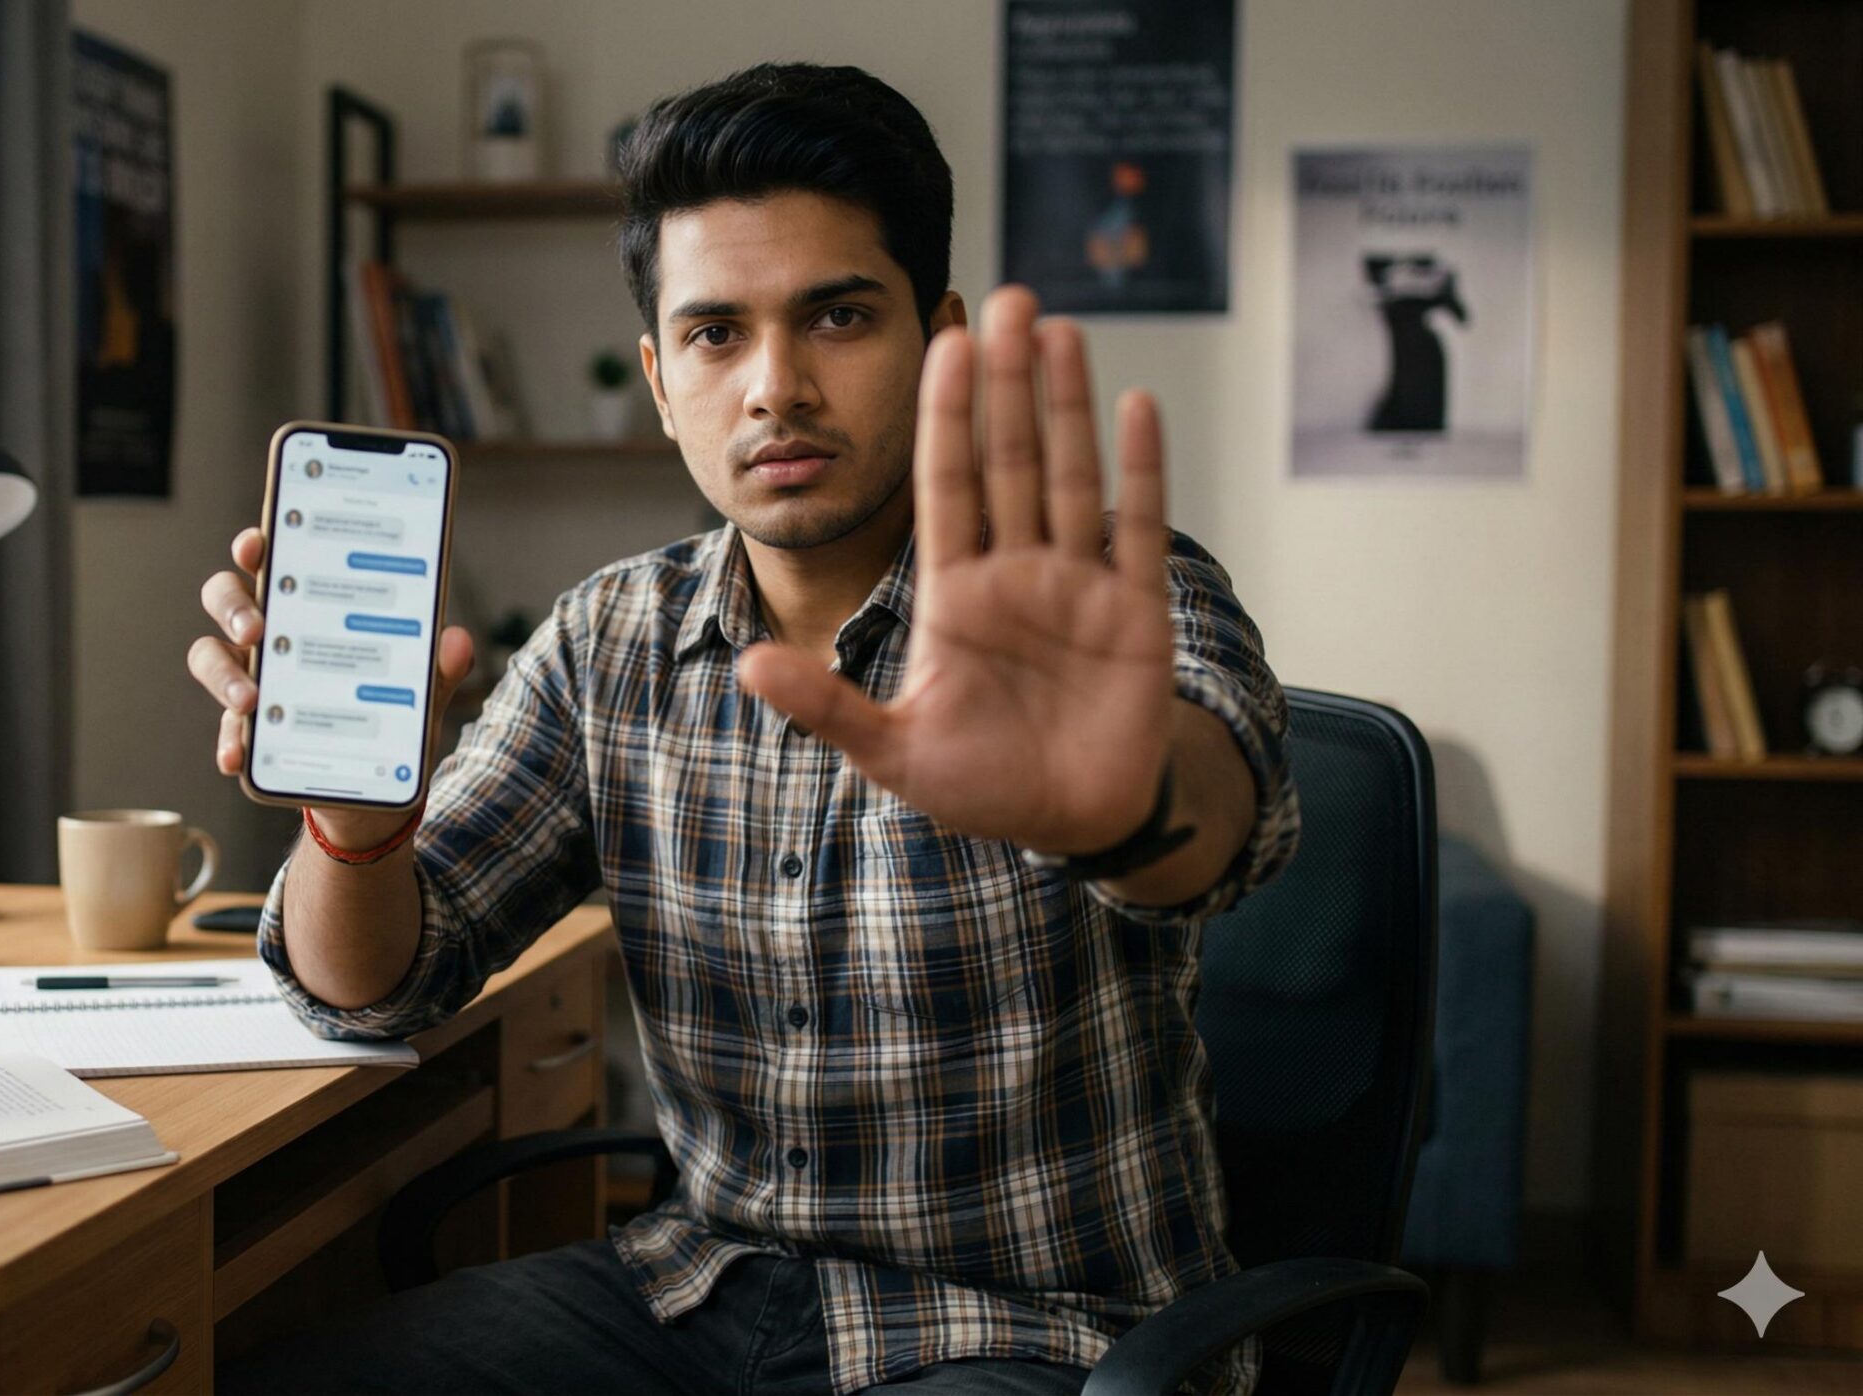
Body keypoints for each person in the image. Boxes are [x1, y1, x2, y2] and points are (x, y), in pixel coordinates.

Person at [186, 62, 1298, 1396]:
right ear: (660, 380)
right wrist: (356, 829)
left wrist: (1121, 813)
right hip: (697, 1295)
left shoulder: (1103, 591)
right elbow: (370, 983)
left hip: (1033, 1333)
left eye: (836, 316)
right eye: (717, 334)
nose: (775, 385)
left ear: (939, 340)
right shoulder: (612, 643)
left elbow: (1210, 823)